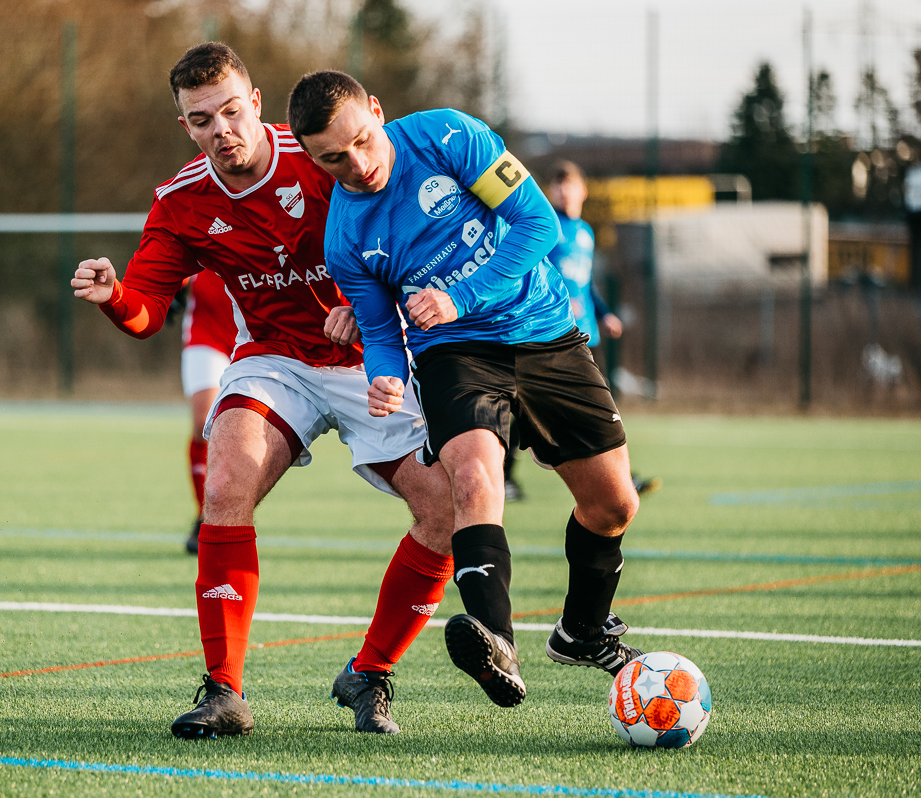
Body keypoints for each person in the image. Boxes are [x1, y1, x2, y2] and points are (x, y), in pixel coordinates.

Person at [71, 44, 456, 738]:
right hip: (275, 362)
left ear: (254, 102)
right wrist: (114, 296)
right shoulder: (181, 202)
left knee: (444, 509)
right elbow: (147, 313)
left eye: (229, 111)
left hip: (374, 358)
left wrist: (374, 307)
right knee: (225, 484)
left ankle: (370, 671)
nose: (220, 130)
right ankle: (224, 691)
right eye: (201, 120)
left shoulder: (322, 157)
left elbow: (412, 240)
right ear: (185, 127)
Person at [289, 71, 643, 710]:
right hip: (454, 356)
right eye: (333, 159)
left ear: (377, 110)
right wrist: (385, 376)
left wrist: (459, 295)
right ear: (313, 159)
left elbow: (537, 225)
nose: (357, 165)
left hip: (545, 333)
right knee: (475, 478)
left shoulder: (448, 136)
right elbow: (380, 331)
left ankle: (583, 632)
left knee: (613, 505)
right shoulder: (345, 238)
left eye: (362, 141)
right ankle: (495, 639)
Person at [543, 160, 660, 497]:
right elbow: (537, 272)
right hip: (554, 331)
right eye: (558, 185)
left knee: (602, 407)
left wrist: (604, 312)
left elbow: (586, 282)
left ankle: (619, 476)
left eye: (570, 184)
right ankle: (504, 475)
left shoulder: (585, 232)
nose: (564, 191)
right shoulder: (547, 225)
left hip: (587, 333)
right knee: (532, 407)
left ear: (583, 190)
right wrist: (561, 299)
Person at [179, 269, 238, 554]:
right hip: (207, 330)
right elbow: (174, 256)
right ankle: (205, 516)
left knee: (243, 430)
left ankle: (231, 512)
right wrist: (170, 286)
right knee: (205, 423)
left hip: (255, 329)